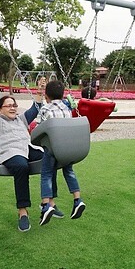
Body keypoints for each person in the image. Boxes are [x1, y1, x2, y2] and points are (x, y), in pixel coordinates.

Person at [0, 77, 46, 232]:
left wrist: (40, 91)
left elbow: (36, 108)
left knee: (50, 158)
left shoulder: (21, 119)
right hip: (10, 153)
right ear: (0, 109)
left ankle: (47, 202)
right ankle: (23, 211)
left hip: (27, 149)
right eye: (8, 106)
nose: (13, 108)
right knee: (21, 166)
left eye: (14, 105)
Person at [38, 80, 86, 227]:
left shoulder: (45, 109)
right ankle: (77, 200)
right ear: (63, 94)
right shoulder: (67, 108)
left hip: (53, 148)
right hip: (68, 148)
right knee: (69, 171)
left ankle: (46, 205)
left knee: (46, 173)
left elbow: (39, 129)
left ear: (46, 96)